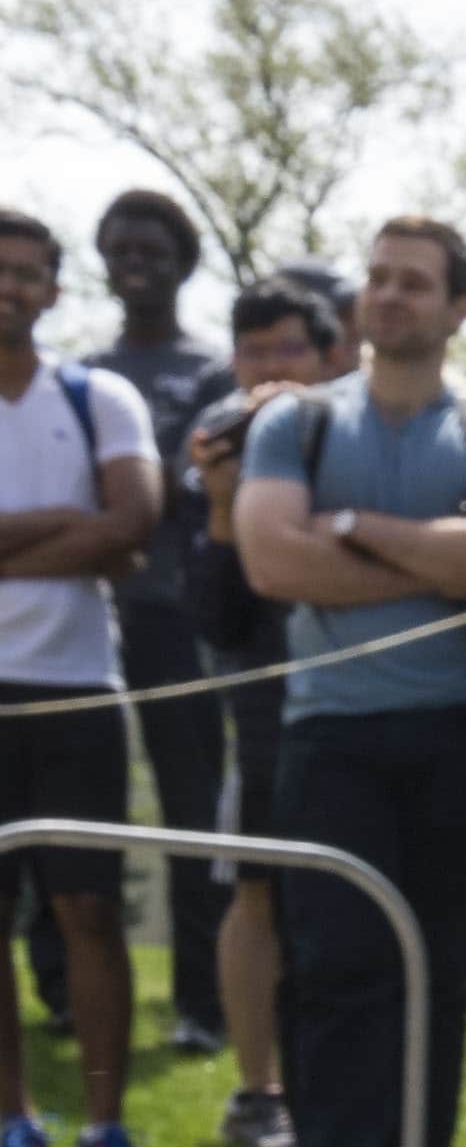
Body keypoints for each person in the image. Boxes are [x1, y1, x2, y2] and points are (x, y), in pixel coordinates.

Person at [236, 215, 466, 1147]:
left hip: (462, 724)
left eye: (414, 282)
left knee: (436, 965)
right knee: (337, 960)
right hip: (329, 732)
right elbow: (272, 565)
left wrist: (354, 528)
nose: (388, 296)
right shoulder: (299, 424)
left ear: (459, 306)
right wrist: (431, 560)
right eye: (377, 278)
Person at [0, 205, 171, 1147]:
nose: (12, 287)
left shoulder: (96, 393)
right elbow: (99, 531)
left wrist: (85, 529)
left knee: (88, 911)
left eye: (30, 273)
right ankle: (13, 1122)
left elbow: (133, 523)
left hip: (76, 691)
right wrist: (67, 524)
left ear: (56, 291)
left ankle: (103, 1129)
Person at [184, 278, 342, 1147]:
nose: (270, 371)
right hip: (264, 720)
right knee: (256, 896)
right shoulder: (216, 445)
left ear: (328, 358)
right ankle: (259, 1090)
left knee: (344, 913)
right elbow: (212, 616)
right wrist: (219, 504)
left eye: (289, 349)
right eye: (253, 352)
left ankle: (341, 1090)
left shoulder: (355, 436)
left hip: (361, 712)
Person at [88, 190, 231, 1055]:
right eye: (118, 248)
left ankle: (201, 1002)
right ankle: (66, 991)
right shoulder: (86, 376)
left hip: (179, 620)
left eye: (151, 248)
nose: (134, 262)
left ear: (182, 261)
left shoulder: (209, 373)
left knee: (190, 805)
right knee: (78, 805)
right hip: (90, 624)